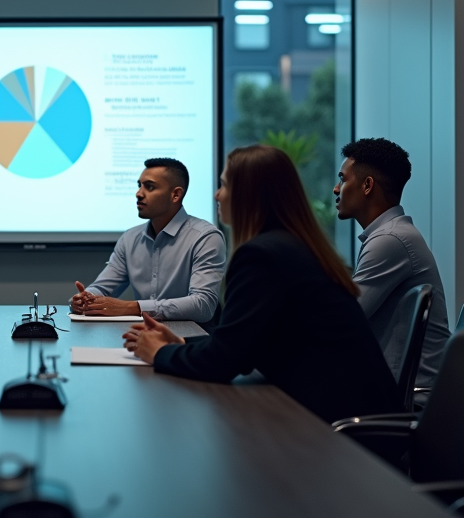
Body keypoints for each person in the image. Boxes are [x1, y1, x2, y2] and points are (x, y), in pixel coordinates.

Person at [123, 145, 399, 425]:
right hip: (356, 413)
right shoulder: (293, 245)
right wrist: (182, 343)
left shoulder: (263, 255)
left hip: (347, 434)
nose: (217, 195)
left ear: (249, 194)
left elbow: (225, 361)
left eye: (224, 185)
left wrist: (159, 352)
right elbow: (243, 342)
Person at [333, 138, 450, 404]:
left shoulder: (391, 240)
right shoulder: (391, 236)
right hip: (400, 391)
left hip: (409, 400)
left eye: (343, 179)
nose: (336, 188)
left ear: (367, 185)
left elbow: (343, 320)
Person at [70, 158, 225, 325]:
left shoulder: (205, 237)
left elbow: (203, 305)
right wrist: (85, 299)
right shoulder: (130, 238)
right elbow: (101, 288)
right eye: (139, 185)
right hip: (141, 338)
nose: (139, 193)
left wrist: (133, 307)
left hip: (190, 343)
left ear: (175, 195)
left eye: (149, 187)